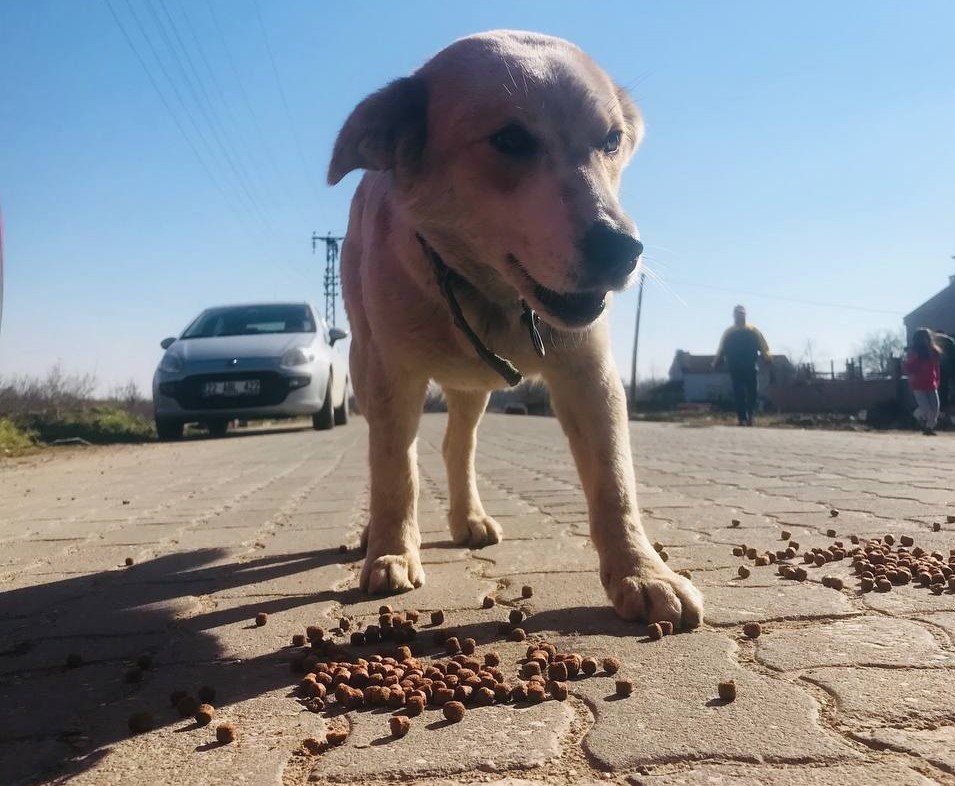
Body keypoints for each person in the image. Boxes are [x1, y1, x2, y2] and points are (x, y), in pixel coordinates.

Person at [713, 305, 772, 426]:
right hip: (735, 367)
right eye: (738, 314)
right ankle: (742, 418)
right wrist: (716, 362)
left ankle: (750, 415)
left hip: (750, 365)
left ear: (745, 315)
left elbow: (763, 346)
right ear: (734, 316)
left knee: (753, 392)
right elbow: (721, 349)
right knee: (739, 393)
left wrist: (768, 357)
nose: (740, 316)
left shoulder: (753, 331)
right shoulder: (729, 333)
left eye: (742, 314)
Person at [903, 328, 942, 435]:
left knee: (936, 409)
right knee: (928, 410)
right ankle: (924, 423)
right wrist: (913, 374)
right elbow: (908, 367)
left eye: (927, 337)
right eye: (924, 338)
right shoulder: (914, 353)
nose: (926, 339)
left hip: (931, 383)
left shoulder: (933, 352)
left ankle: (928, 427)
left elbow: (936, 368)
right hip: (918, 385)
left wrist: (937, 380)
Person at [933, 328, 955, 410]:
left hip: (947, 364)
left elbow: (942, 355)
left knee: (943, 384)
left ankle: (943, 403)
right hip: (950, 363)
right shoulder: (949, 340)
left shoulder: (940, 340)